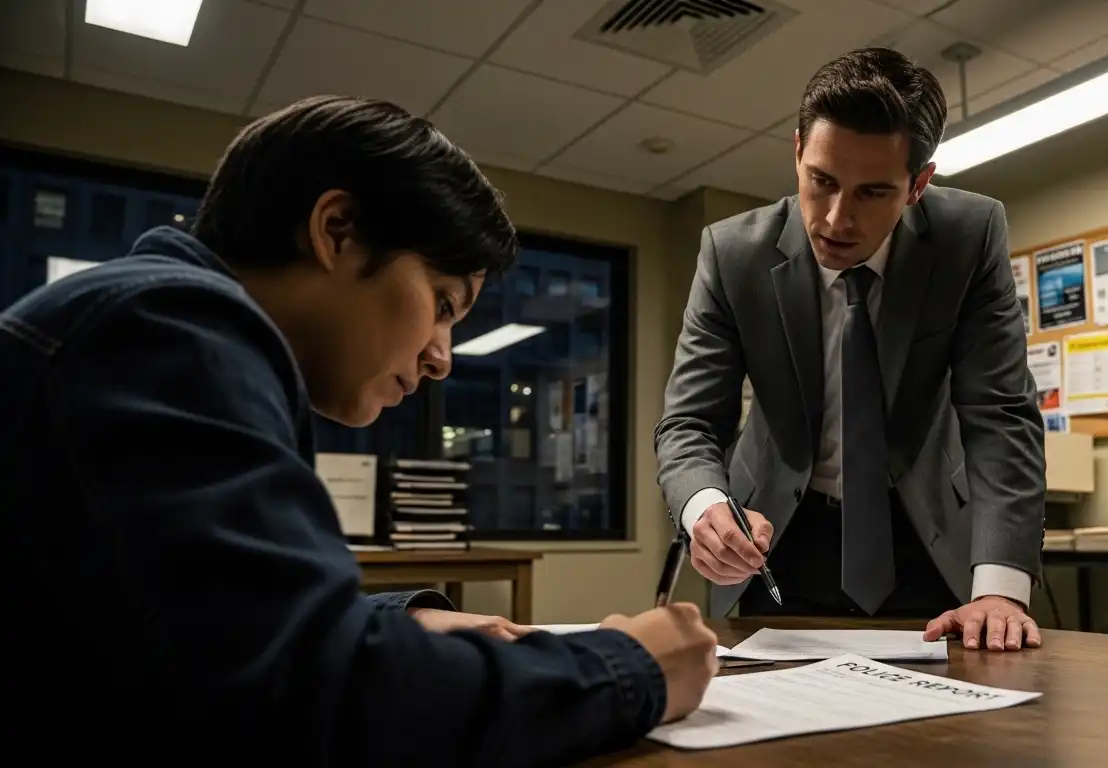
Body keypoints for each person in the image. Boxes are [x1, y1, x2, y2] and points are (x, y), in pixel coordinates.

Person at [0, 95, 717, 765]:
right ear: (336, 231)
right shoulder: (165, 332)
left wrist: (399, 622)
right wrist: (627, 667)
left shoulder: (157, 327)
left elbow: (197, 626)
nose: (441, 358)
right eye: (440, 303)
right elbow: (320, 704)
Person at [655, 48, 1046, 652]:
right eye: (822, 181)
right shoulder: (733, 256)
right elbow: (688, 423)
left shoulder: (968, 239)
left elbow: (1000, 416)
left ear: (918, 185)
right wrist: (705, 506)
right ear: (797, 153)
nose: (837, 219)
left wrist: (1000, 585)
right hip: (774, 541)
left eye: (871, 193)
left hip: (926, 532)